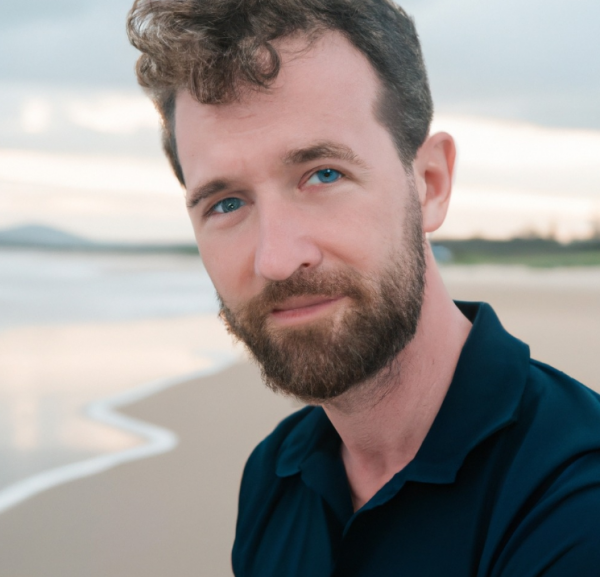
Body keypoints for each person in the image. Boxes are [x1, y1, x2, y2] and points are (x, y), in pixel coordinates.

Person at [127, 1, 600, 574]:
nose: (277, 259)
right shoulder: (275, 475)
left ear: (430, 183)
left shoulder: (575, 499)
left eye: (323, 174)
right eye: (226, 204)